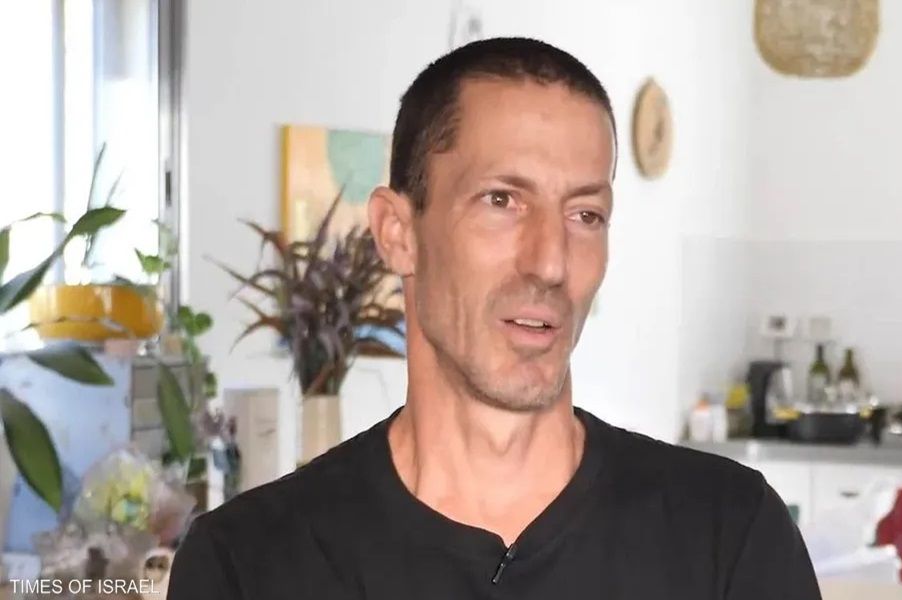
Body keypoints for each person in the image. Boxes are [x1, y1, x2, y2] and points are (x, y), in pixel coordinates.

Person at [168, 37, 821, 599]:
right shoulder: (249, 563)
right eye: (502, 200)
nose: (551, 262)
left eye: (585, 214)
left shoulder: (729, 534)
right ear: (397, 233)